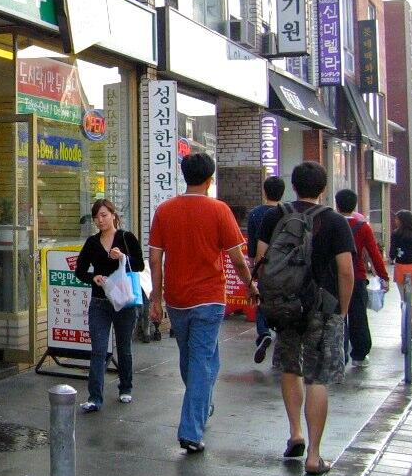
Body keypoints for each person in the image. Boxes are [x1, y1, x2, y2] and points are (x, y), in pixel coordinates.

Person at [149, 152, 252, 454]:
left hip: (177, 298)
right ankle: (191, 431)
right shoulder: (219, 210)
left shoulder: (164, 210)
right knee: (201, 361)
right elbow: (237, 258)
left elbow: (155, 259)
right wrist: (250, 285)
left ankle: (202, 403)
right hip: (209, 297)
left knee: (196, 357)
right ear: (209, 179)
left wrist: (156, 298)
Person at [256, 161, 354, 476]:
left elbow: (260, 260)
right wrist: (343, 310)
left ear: (294, 185)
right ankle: (314, 456)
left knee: (290, 367)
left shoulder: (275, 216)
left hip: (286, 305)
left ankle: (295, 433)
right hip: (323, 307)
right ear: (323, 189)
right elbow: (346, 271)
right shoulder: (335, 222)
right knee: (317, 377)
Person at [74, 199, 145, 413]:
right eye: (96, 217)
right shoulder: (92, 242)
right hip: (99, 302)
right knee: (98, 350)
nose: (100, 220)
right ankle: (95, 397)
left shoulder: (126, 237)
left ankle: (126, 387)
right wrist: (93, 277)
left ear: (113, 215)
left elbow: (140, 264)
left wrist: (123, 257)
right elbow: (80, 270)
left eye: (104, 215)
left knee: (124, 347)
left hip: (124, 302)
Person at [334, 188, 389, 363]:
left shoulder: (331, 224)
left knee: (337, 316)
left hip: (334, 277)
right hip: (357, 276)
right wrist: (384, 276)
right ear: (354, 205)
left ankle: (339, 353)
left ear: (337, 204)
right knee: (358, 315)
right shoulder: (363, 227)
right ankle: (360, 352)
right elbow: (374, 253)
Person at [246, 176, 285, 364]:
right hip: (285, 266)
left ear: (264, 192)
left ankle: (263, 333)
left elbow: (252, 244)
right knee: (283, 303)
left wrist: (252, 266)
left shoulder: (255, 214)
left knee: (262, 299)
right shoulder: (287, 213)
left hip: (265, 264)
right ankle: (281, 339)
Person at [389, 209, 412, 341]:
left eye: (397, 219)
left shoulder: (396, 234)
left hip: (400, 269)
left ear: (402, 221)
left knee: (404, 299)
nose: (395, 221)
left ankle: (405, 322)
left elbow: (392, 253)